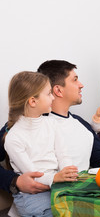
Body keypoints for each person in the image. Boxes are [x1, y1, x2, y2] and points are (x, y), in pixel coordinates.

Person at [4, 71, 78, 216]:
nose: (53, 97)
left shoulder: (51, 124)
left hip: (55, 185)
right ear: (33, 101)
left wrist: (68, 172)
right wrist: (56, 178)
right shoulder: (13, 137)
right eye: (49, 93)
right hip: (32, 193)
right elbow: (33, 175)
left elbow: (63, 154)